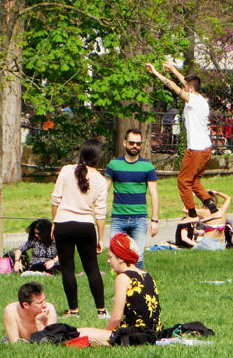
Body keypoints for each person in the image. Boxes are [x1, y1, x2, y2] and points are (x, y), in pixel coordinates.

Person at [146, 61, 217, 217]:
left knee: (183, 181)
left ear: (190, 89)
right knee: (194, 182)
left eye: (186, 88)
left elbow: (173, 86)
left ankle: (191, 213)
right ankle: (210, 205)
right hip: (206, 149)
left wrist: (157, 73)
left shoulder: (193, 100)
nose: (184, 88)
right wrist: (172, 69)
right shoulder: (202, 100)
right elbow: (185, 82)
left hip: (196, 150)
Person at [51, 138, 109, 319]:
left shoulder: (67, 170)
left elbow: (55, 200)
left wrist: (54, 223)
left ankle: (74, 310)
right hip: (86, 226)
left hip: (63, 224)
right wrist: (100, 238)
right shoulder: (100, 180)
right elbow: (100, 213)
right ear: (99, 158)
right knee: (92, 268)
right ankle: (101, 310)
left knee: (68, 269)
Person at [78, 234, 162, 346]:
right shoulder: (147, 275)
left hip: (135, 335)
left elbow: (116, 318)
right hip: (154, 332)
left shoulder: (123, 278)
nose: (108, 261)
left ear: (121, 258)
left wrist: (106, 333)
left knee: (81, 333)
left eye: (110, 257)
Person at [105, 128, 159, 269]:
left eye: (138, 143)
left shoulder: (147, 166)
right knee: (115, 255)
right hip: (118, 218)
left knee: (138, 257)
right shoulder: (114, 165)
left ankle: (137, 284)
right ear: (124, 143)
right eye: (131, 143)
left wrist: (155, 220)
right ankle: (120, 284)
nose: (135, 146)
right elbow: (104, 190)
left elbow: (154, 194)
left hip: (139, 218)